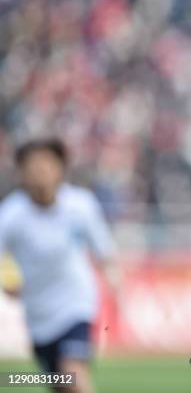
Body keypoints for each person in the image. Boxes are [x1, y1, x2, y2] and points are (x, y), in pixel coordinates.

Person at [0, 138, 117, 393]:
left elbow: (104, 252)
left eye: (46, 164)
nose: (40, 172)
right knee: (62, 384)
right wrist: (6, 281)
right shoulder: (11, 214)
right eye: (32, 166)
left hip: (77, 305)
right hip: (38, 316)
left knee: (72, 374)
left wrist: (115, 284)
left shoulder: (81, 205)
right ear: (21, 173)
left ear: (60, 169)